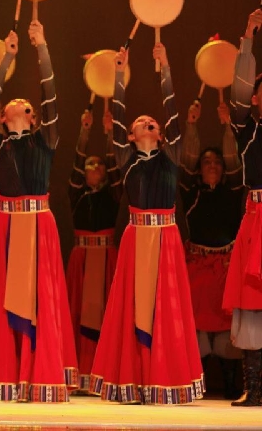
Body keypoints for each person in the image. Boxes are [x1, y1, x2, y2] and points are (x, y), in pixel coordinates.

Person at [88, 44, 203, 405]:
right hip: (137, 238)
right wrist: (119, 75)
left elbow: (173, 115)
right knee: (133, 307)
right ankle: (134, 378)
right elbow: (119, 117)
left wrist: (164, 68)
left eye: (152, 121)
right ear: (131, 136)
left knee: (166, 308)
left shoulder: (171, 156)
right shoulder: (126, 159)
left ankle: (164, 379)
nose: (147, 122)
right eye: (140, 123)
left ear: (161, 134)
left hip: (166, 238)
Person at [0, 22, 78, 403]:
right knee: (2, 299)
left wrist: (41, 47)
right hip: (5, 224)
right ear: (3, 117)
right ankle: (7, 373)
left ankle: (39, 374)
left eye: (26, 105)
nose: (20, 102)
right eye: (12, 103)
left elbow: (50, 95)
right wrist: (7, 59)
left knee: (40, 298)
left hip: (39, 224)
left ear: (33, 118)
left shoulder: (46, 140)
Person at [180, 99, 244, 400]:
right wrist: (191, 124)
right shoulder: (190, 191)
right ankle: (199, 383)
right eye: (207, 162)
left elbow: (234, 162)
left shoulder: (233, 191)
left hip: (226, 267)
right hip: (197, 266)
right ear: (199, 168)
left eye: (217, 162)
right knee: (198, 325)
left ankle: (231, 383)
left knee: (226, 323)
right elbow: (186, 160)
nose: (213, 166)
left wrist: (227, 126)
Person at [65, 108, 121, 394]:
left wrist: (110, 133)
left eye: (99, 165)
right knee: (77, 313)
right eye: (90, 164)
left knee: (108, 315)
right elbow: (76, 166)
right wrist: (84, 132)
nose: (94, 168)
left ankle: (104, 374)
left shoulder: (114, 194)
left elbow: (116, 168)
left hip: (107, 259)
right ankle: (80, 376)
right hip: (82, 261)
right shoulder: (75, 193)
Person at [223, 8, 262, 406]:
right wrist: (248, 38)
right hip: (256, 221)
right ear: (255, 98)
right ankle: (256, 386)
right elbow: (237, 92)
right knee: (252, 303)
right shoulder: (248, 129)